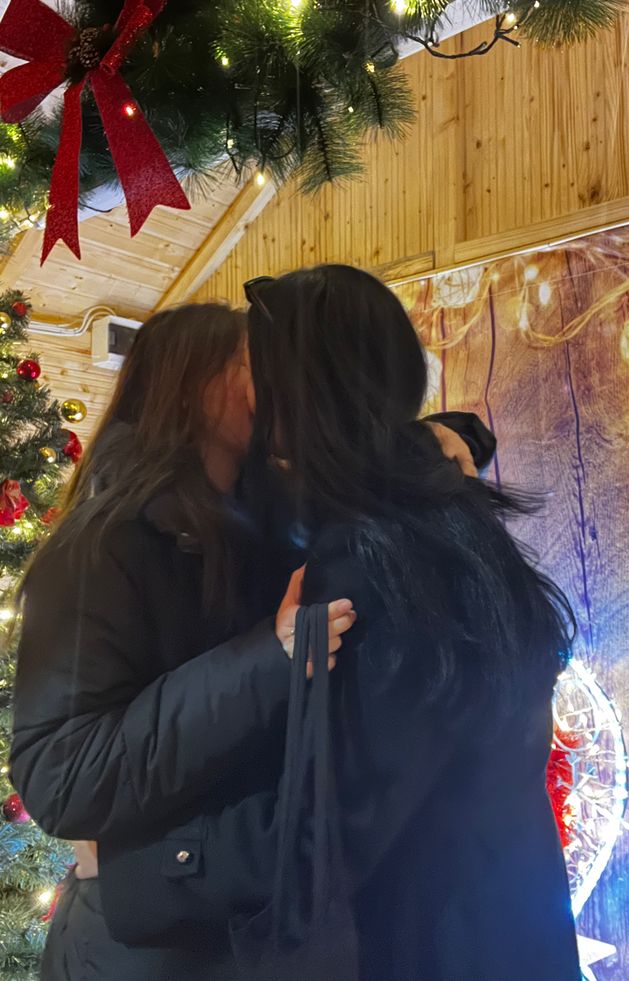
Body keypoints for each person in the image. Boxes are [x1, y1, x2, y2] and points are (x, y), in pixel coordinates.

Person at [95, 266, 581, 980]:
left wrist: (131, 872)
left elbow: (328, 835)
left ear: (301, 397)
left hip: (431, 950)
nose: (247, 403)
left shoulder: (369, 563)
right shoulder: (445, 519)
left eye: (256, 376)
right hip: (514, 932)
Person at [10, 301, 492, 981]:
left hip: (240, 930)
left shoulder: (259, 517)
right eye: (250, 364)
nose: (271, 383)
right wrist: (269, 657)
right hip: (137, 946)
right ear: (194, 385)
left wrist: (445, 434)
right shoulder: (104, 546)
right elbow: (59, 777)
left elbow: (355, 445)